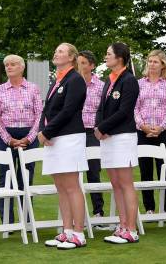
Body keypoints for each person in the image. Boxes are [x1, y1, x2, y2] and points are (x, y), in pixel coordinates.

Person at [39, 43, 89, 250]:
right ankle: (66, 230)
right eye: (56, 50)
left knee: (71, 185)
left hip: (69, 137)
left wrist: (47, 132)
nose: (55, 53)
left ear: (71, 58)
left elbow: (68, 110)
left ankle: (78, 233)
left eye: (60, 51)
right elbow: (48, 109)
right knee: (61, 187)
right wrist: (45, 129)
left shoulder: (75, 80)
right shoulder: (57, 80)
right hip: (55, 138)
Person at [95, 42, 141, 244]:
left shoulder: (129, 80)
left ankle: (131, 229)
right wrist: (99, 127)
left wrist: (103, 128)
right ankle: (122, 225)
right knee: (115, 183)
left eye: (108, 54)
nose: (105, 57)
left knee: (125, 183)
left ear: (119, 58)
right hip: (108, 138)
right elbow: (102, 108)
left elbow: (124, 111)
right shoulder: (109, 80)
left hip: (122, 137)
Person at [0, 55, 42, 224]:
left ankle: (26, 219)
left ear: (22, 67)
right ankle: (7, 221)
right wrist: (9, 139)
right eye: (6, 65)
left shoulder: (33, 88)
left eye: (13, 64)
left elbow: (40, 116)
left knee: (26, 177)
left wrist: (29, 138)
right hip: (5, 136)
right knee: (5, 176)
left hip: (29, 135)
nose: (9, 67)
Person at [134, 50, 166, 216]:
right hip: (143, 132)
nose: (151, 64)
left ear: (163, 64)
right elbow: (134, 108)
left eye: (155, 62)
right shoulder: (139, 84)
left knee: (164, 170)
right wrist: (142, 125)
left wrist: (162, 127)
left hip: (163, 132)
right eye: (149, 61)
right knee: (145, 171)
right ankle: (149, 208)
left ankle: (164, 208)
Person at [77, 50, 106, 220]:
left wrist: (100, 128)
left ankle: (98, 212)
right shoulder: (73, 83)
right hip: (74, 132)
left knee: (94, 172)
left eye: (84, 63)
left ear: (92, 66)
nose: (80, 66)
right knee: (72, 173)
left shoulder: (101, 86)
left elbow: (104, 111)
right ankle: (76, 214)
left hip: (93, 132)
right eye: (78, 63)